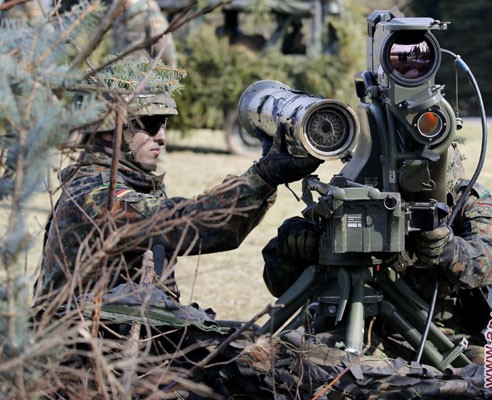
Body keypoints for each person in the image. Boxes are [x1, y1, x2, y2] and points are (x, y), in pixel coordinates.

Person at [33, 58, 322, 310]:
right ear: (110, 129)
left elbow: (208, 225)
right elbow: (188, 224)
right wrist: (264, 176)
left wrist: (265, 177)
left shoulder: (129, 183)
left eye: (164, 124)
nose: (161, 136)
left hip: (126, 340)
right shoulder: (95, 196)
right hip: (87, 352)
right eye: (150, 123)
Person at [261, 143, 492, 364]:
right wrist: (293, 248)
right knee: (297, 361)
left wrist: (448, 251)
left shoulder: (467, 202)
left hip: (440, 336)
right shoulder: (355, 197)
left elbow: (490, 263)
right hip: (356, 332)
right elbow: (280, 285)